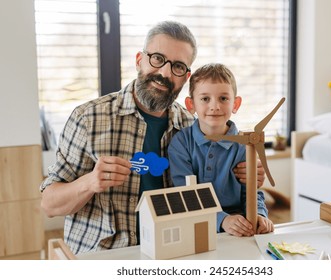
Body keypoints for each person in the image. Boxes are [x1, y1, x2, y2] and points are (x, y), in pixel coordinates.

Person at [40, 21, 266, 255]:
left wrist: (249, 173)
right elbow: (49, 205)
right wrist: (89, 183)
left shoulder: (191, 125)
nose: (165, 73)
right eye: (157, 58)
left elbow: (209, 190)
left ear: (186, 77)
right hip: (102, 254)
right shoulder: (89, 118)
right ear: (139, 60)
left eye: (177, 66)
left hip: (172, 251)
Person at [168, 63, 274, 237]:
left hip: (239, 227)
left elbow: (252, 193)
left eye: (223, 98)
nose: (215, 106)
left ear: (236, 104)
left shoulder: (244, 145)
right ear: (191, 104)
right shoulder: (181, 144)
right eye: (205, 99)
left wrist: (259, 215)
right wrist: (222, 220)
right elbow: (186, 196)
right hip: (195, 224)